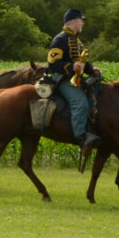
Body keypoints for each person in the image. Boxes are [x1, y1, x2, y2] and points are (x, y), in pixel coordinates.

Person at [44, 10, 103, 148]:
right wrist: (71, 67)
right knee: (80, 103)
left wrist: (92, 69)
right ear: (73, 21)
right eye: (81, 20)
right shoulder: (60, 39)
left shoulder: (77, 40)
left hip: (76, 78)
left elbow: (82, 62)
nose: (83, 23)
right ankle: (81, 137)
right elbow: (53, 64)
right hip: (63, 79)